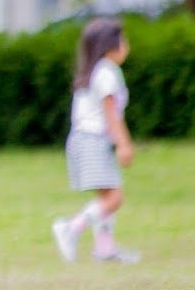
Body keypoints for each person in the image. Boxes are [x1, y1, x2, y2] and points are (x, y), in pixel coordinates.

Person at [52, 18, 139, 263]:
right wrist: (124, 144)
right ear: (109, 45)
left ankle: (105, 248)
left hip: (85, 140)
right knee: (114, 198)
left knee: (106, 196)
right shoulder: (107, 73)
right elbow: (110, 114)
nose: (126, 45)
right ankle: (71, 228)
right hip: (93, 140)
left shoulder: (95, 72)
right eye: (122, 40)